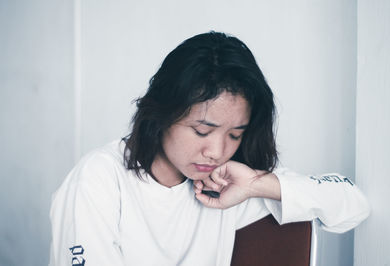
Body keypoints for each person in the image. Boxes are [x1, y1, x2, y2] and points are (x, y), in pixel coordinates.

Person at [49, 31, 370, 266]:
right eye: (203, 130)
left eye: (235, 134)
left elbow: (353, 205)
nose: (217, 151)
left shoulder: (228, 186)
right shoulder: (100, 180)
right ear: (162, 113)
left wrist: (259, 185)